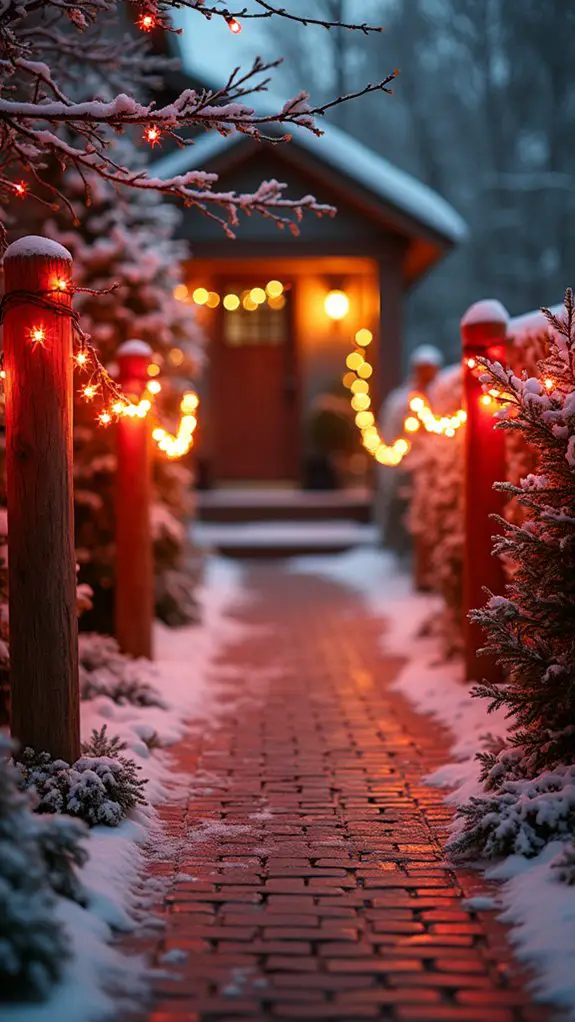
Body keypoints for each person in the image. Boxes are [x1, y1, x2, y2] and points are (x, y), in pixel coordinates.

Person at [375, 344, 444, 552]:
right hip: (402, 467)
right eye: (423, 369)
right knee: (399, 510)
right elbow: (388, 432)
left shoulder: (442, 397)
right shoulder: (401, 401)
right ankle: (392, 547)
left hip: (433, 469)